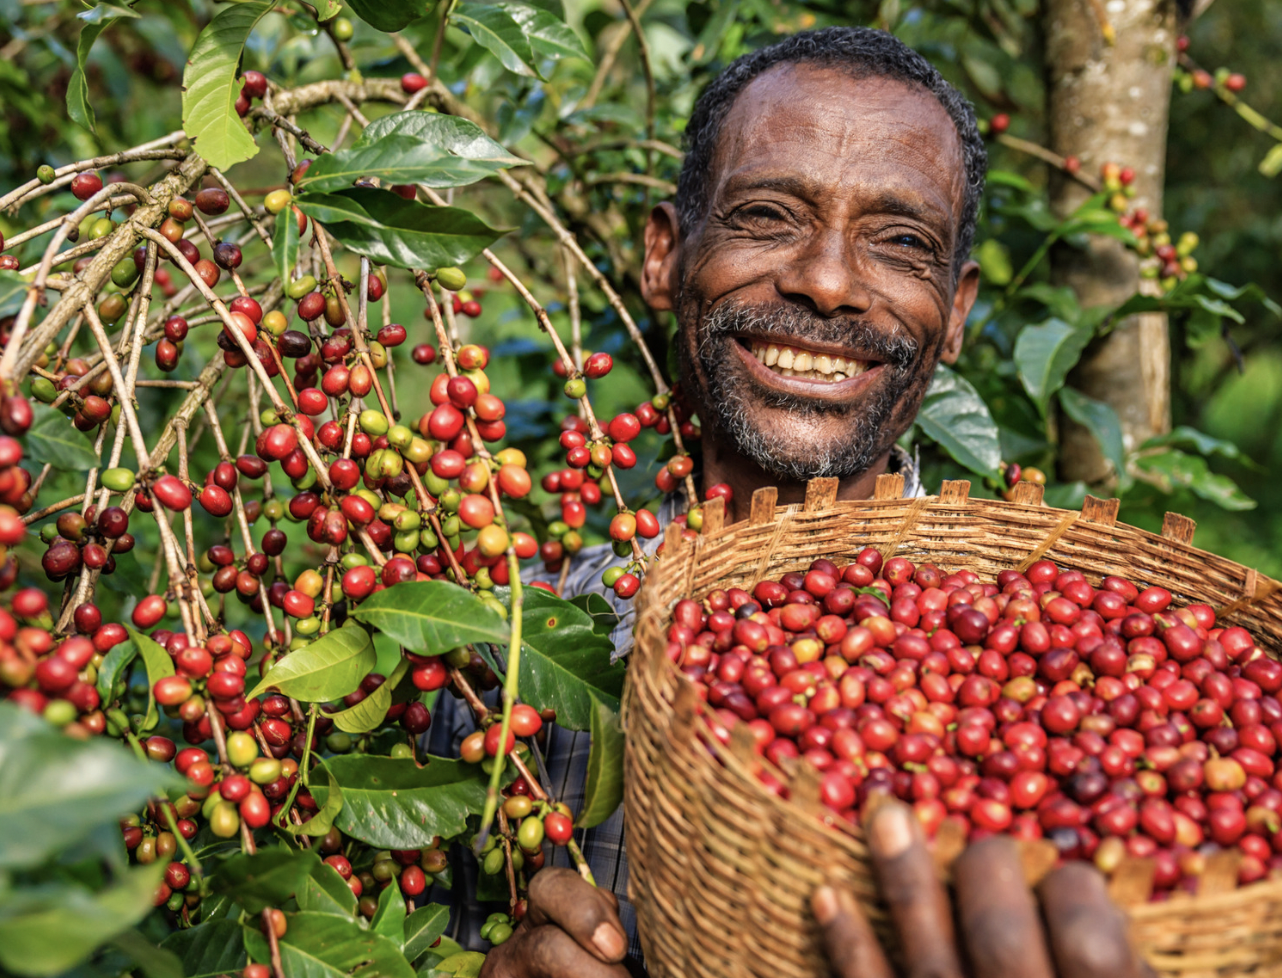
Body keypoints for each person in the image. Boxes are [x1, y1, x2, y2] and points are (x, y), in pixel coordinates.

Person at [433, 25, 1149, 977]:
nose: (826, 282)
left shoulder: (1077, 674)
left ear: (958, 311)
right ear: (664, 256)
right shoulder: (496, 660)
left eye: (900, 243)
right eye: (768, 216)